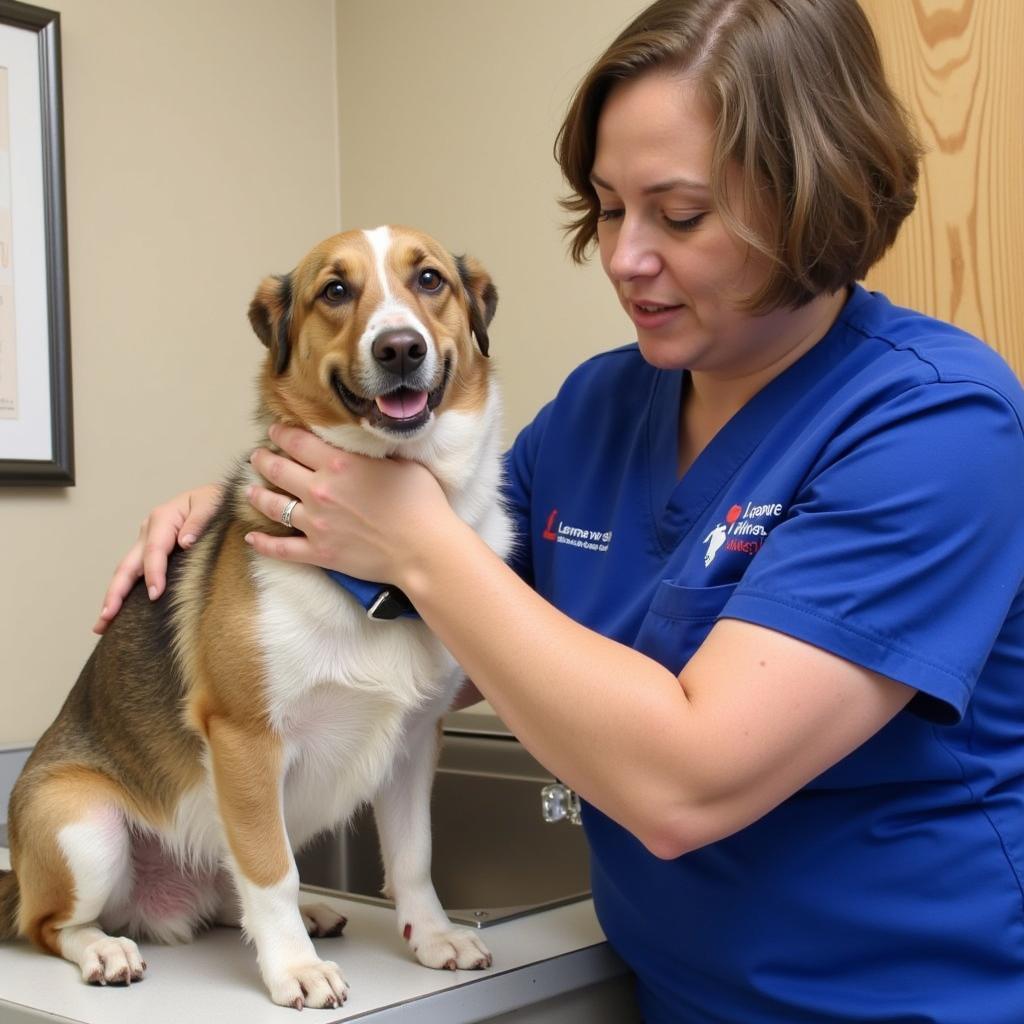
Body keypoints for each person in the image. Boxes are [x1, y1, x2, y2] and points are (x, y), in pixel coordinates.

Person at [95, 1, 1024, 1020]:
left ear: (812, 198)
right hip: (670, 995)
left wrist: (411, 541)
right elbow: (430, 656)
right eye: (608, 206)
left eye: (677, 215)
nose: (622, 257)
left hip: (899, 1003)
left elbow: (684, 787)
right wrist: (254, 524)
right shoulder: (599, 407)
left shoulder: (938, 426)